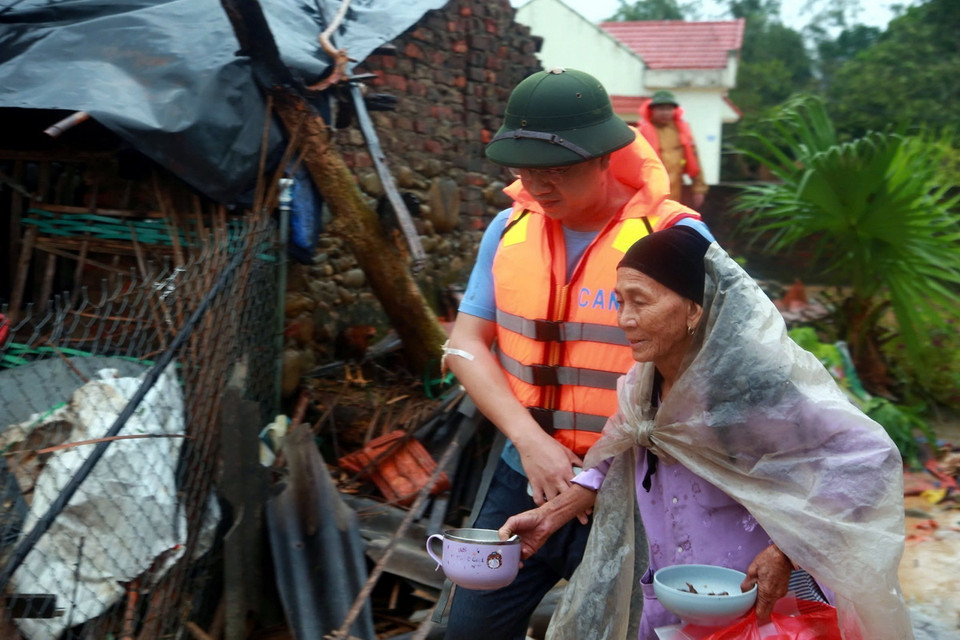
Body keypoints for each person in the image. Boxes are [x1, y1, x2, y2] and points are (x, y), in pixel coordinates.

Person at [498, 226, 914, 640]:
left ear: (695, 310)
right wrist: (551, 516)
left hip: (758, 606)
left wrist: (788, 552)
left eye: (640, 302)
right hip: (678, 603)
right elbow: (617, 454)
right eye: (620, 301)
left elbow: (868, 460)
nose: (624, 319)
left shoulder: (759, 390)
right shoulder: (642, 386)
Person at [441, 68, 715, 639]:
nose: (538, 188)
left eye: (557, 172)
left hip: (640, 489)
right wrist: (531, 442)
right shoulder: (507, 228)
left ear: (604, 157)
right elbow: (466, 343)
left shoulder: (677, 240)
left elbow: (720, 372)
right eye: (524, 172)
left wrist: (593, 475)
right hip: (526, 473)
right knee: (469, 628)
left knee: (631, 630)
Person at [637, 90, 709, 209]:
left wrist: (699, 189)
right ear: (652, 110)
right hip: (649, 192)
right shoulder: (641, 133)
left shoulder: (682, 131)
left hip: (677, 191)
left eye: (669, 108)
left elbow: (694, 161)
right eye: (661, 108)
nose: (665, 112)